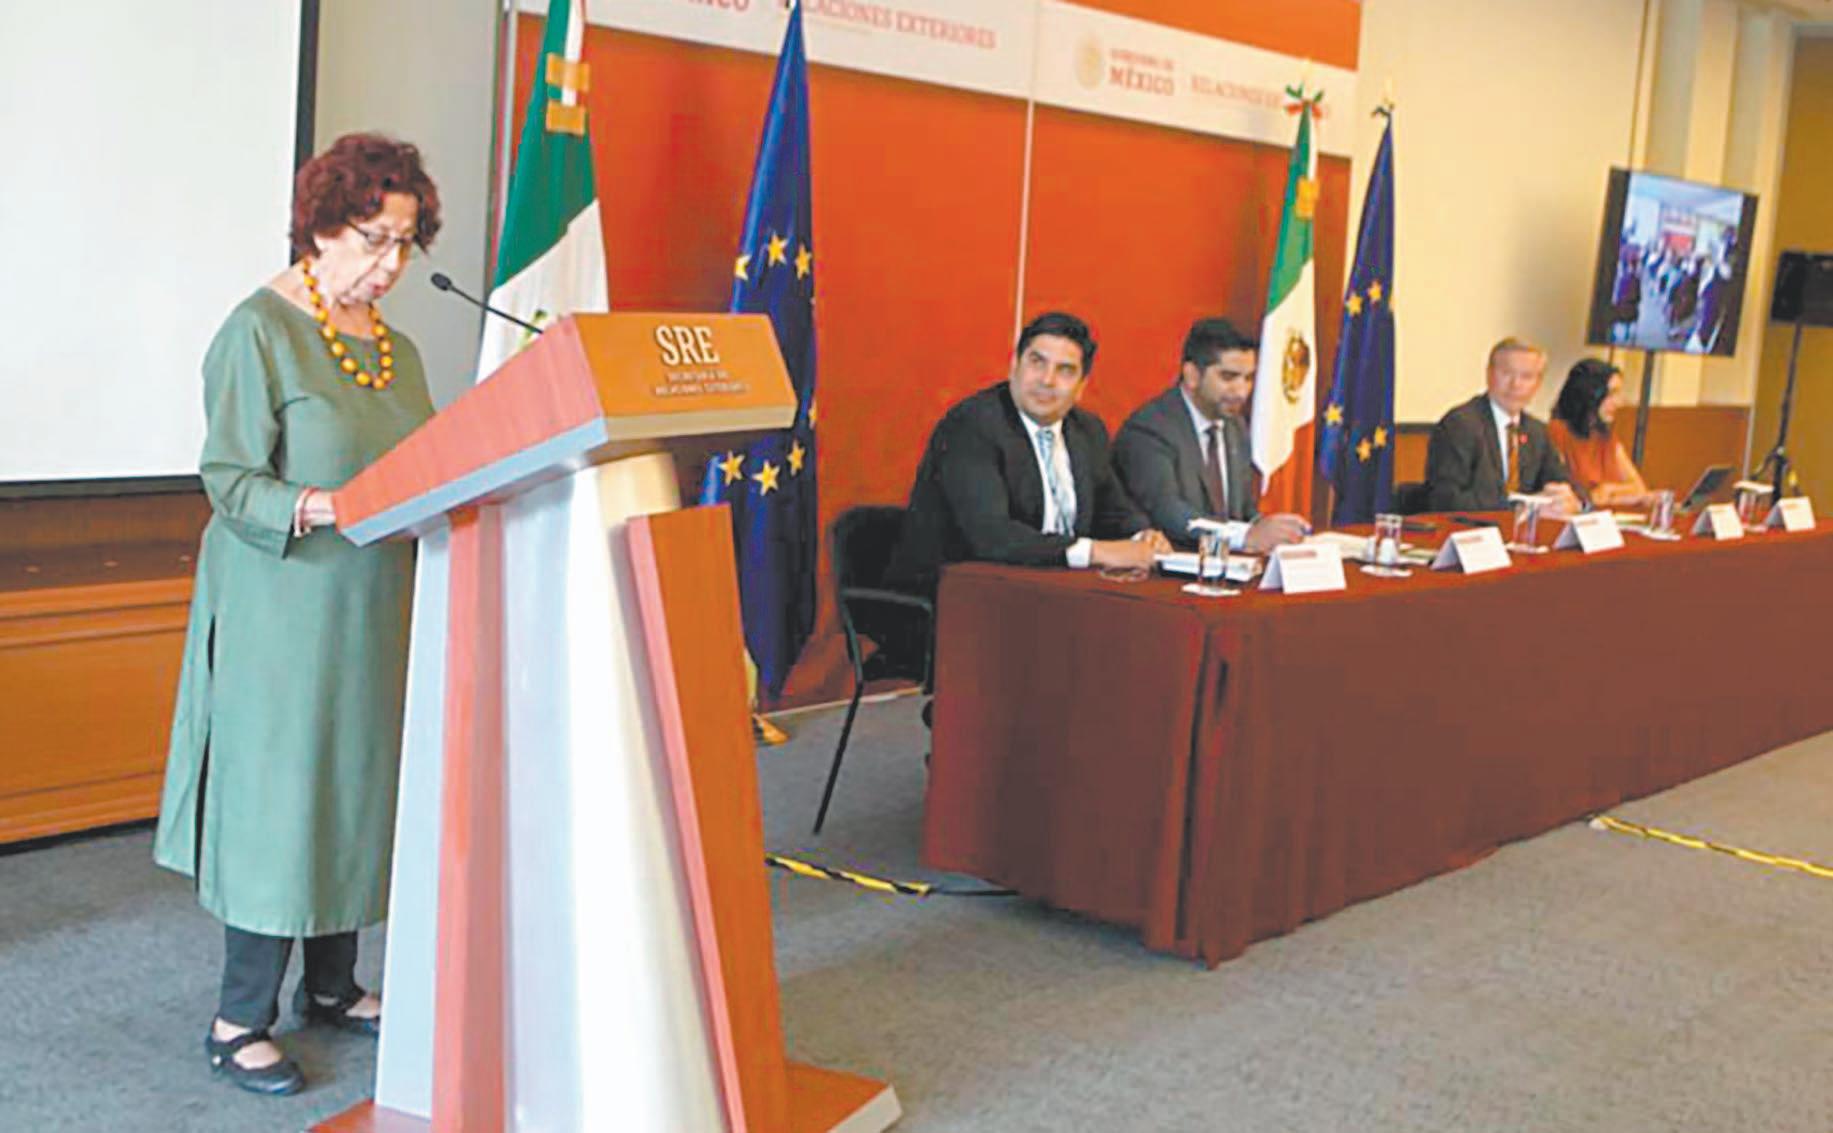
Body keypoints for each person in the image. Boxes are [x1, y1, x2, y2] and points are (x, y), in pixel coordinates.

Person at [152, 133, 441, 1096]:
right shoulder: (258, 330)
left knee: (353, 786)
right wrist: (326, 506)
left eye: (405, 243)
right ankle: (238, 1018)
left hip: (373, 601)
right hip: (283, 604)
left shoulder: (396, 349)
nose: (390, 264)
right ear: (320, 228)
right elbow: (229, 479)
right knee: (283, 801)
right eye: (373, 238)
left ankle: (331, 986)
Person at [883, 311, 1170, 596]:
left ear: (1081, 387)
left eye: (1065, 371)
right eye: (1037, 362)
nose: (1047, 380)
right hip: (952, 599)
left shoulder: (1087, 431)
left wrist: (1143, 537)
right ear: (1014, 367)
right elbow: (991, 535)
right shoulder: (972, 425)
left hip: (1045, 594)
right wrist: (1094, 551)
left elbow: (1114, 509)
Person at [1111, 316, 1309, 552]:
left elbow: (1243, 512)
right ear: (1192, 375)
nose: (1242, 392)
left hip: (1225, 567)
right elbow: (1169, 514)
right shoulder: (1149, 429)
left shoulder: (1235, 426)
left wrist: (1274, 530)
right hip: (1169, 565)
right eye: (1228, 377)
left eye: (1248, 378)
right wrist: (1245, 536)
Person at [1424, 337, 1579, 514]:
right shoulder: (1460, 425)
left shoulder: (1537, 432)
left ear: (1538, 384)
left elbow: (1559, 482)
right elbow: (1446, 499)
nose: (1515, 385)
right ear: (1489, 374)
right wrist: (1518, 508)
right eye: (1506, 373)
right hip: (1471, 528)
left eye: (1526, 377)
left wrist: (1568, 500)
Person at [1548, 358, 1655, 507]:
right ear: (1588, 394)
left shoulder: (1605, 436)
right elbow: (1569, 494)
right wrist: (1613, 495)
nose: (1618, 402)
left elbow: (1639, 489)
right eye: (1611, 394)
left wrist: (1608, 489)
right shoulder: (1557, 432)